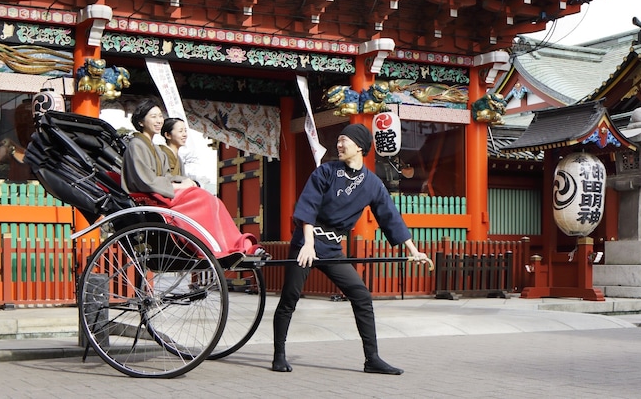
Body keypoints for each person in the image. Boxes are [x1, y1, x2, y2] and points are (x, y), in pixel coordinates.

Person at [271, 123, 431, 376]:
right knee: (290, 297)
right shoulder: (325, 172)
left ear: (360, 147)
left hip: (333, 248)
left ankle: (372, 359)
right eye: (339, 140)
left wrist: (413, 250)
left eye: (344, 140)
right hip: (307, 242)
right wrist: (309, 244)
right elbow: (308, 206)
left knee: (362, 296)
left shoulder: (373, 184)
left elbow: (391, 217)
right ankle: (279, 355)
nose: (339, 144)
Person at [121, 99, 263, 258]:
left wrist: (184, 182)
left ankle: (235, 244)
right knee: (202, 199)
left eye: (160, 116)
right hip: (151, 196)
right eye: (153, 117)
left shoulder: (155, 148)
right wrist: (179, 187)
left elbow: (166, 175)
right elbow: (146, 180)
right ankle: (213, 247)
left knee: (211, 200)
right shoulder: (136, 145)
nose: (159, 120)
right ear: (141, 122)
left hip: (161, 193)